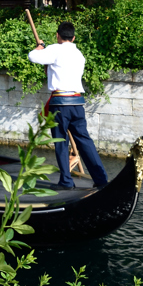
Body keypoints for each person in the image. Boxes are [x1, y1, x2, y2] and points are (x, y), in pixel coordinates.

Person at [28, 21, 108, 190]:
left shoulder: (54, 49)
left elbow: (32, 56)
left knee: (61, 142)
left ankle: (66, 181)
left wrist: (40, 47)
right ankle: (101, 179)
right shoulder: (79, 55)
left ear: (57, 35)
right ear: (73, 37)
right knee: (85, 141)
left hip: (60, 104)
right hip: (77, 103)